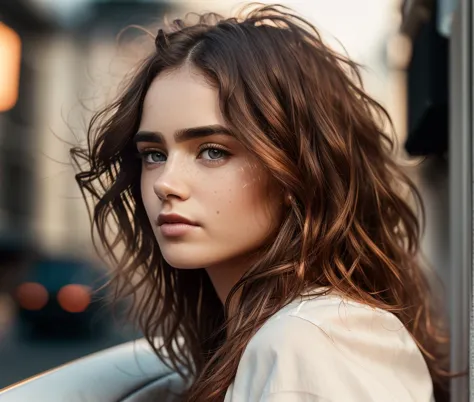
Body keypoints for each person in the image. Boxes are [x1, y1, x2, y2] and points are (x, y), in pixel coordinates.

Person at [71, 4, 450, 401]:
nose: (165, 183)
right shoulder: (270, 336)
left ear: (297, 170)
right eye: (154, 154)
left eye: (213, 151)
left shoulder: (310, 342)